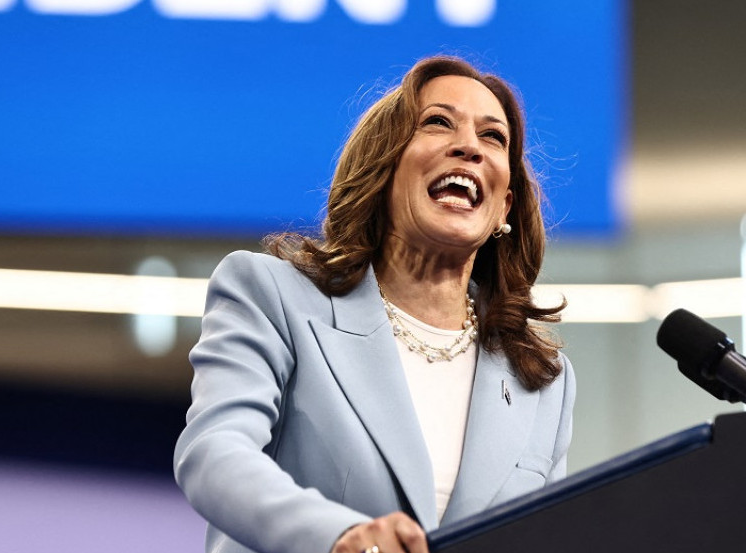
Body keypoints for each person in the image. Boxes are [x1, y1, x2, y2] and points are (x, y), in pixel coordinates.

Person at [174, 55, 576, 553]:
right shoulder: (273, 296)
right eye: (438, 122)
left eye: (493, 137)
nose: (469, 146)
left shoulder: (544, 380)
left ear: (504, 207)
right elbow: (214, 454)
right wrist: (339, 535)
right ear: (383, 169)